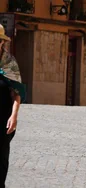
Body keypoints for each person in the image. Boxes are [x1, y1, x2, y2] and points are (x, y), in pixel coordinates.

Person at [0, 24, 25, 187]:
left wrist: (14, 116)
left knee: (1, 161)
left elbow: (17, 93)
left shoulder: (9, 63)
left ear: (1, 42)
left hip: (3, 119)